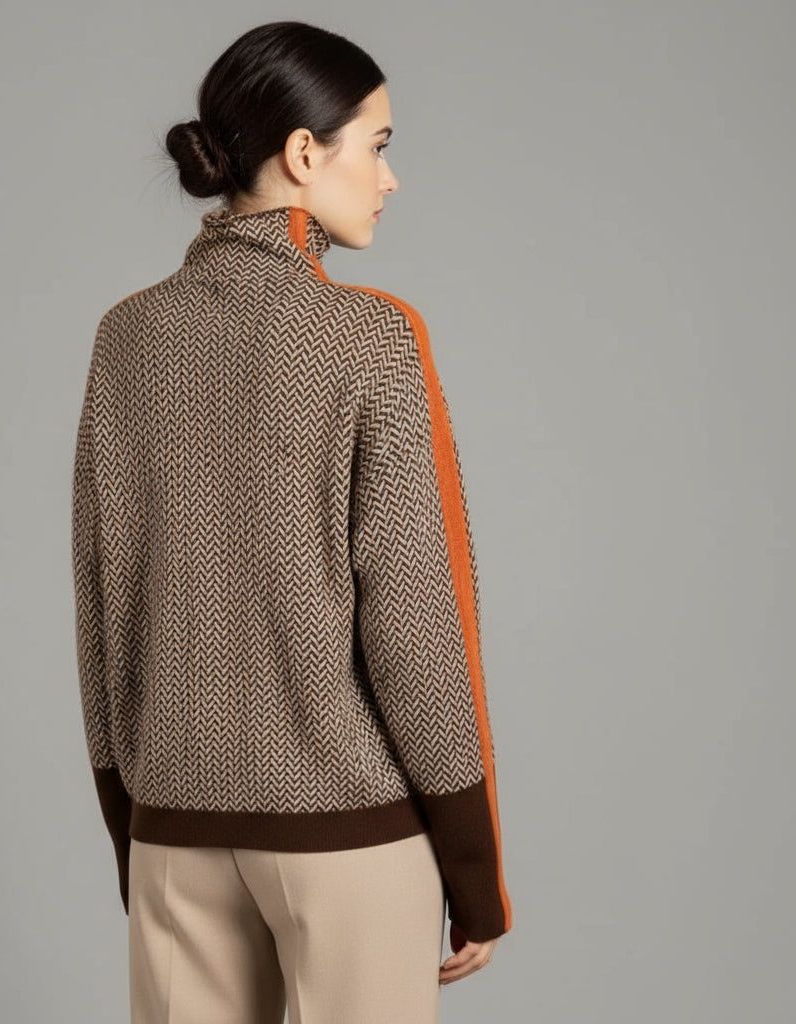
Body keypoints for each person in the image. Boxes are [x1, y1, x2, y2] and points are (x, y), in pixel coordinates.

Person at [72, 19, 513, 1024]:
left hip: (171, 830)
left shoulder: (125, 336)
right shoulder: (369, 338)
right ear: (306, 152)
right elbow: (418, 621)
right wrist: (473, 868)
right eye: (379, 145)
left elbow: (102, 607)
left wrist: (133, 827)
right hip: (349, 840)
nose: (390, 178)